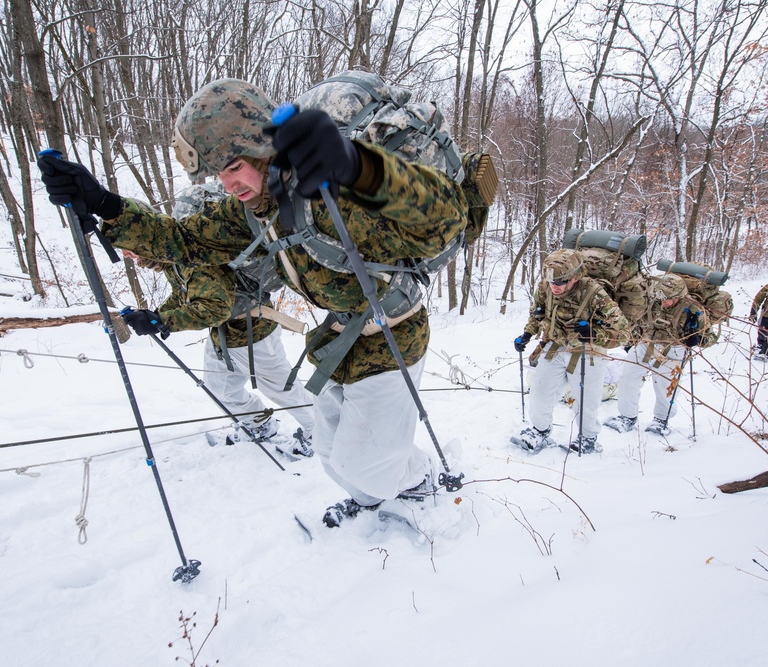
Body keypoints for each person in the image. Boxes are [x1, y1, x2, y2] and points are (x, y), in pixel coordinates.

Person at [37, 78, 473, 528]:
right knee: (329, 452)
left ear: (261, 148)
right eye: (217, 175)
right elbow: (184, 240)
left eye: (234, 167)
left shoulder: (328, 193)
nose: (227, 185)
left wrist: (360, 168)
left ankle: (418, 481)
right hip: (341, 336)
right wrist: (105, 204)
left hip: (393, 331)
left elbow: (444, 220)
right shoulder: (258, 205)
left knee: (366, 463)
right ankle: (375, 493)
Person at [119, 182, 317, 459]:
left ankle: (320, 431)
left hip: (254, 332)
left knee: (284, 390)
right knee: (219, 387)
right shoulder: (174, 259)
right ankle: (258, 423)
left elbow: (214, 308)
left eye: (128, 247)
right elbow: (184, 294)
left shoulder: (194, 257)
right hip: (224, 336)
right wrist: (154, 315)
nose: (127, 255)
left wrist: (163, 322)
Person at [512, 249, 630, 454]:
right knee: (540, 390)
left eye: (560, 283)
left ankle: (588, 438)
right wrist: (528, 334)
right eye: (552, 282)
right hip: (555, 346)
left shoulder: (594, 293)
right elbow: (537, 313)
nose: (555, 287)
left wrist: (595, 334)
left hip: (588, 351)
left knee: (586, 399)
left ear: (574, 278)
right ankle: (540, 430)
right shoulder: (545, 287)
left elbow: (624, 333)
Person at [604, 274, 707, 436]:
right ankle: (627, 416)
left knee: (664, 384)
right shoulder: (656, 300)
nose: (664, 302)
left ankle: (661, 419)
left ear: (679, 296)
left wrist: (699, 338)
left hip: (673, 349)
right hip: (648, 343)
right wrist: (632, 339)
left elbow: (710, 336)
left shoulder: (694, 309)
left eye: (668, 299)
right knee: (628, 376)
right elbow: (641, 319)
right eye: (662, 297)